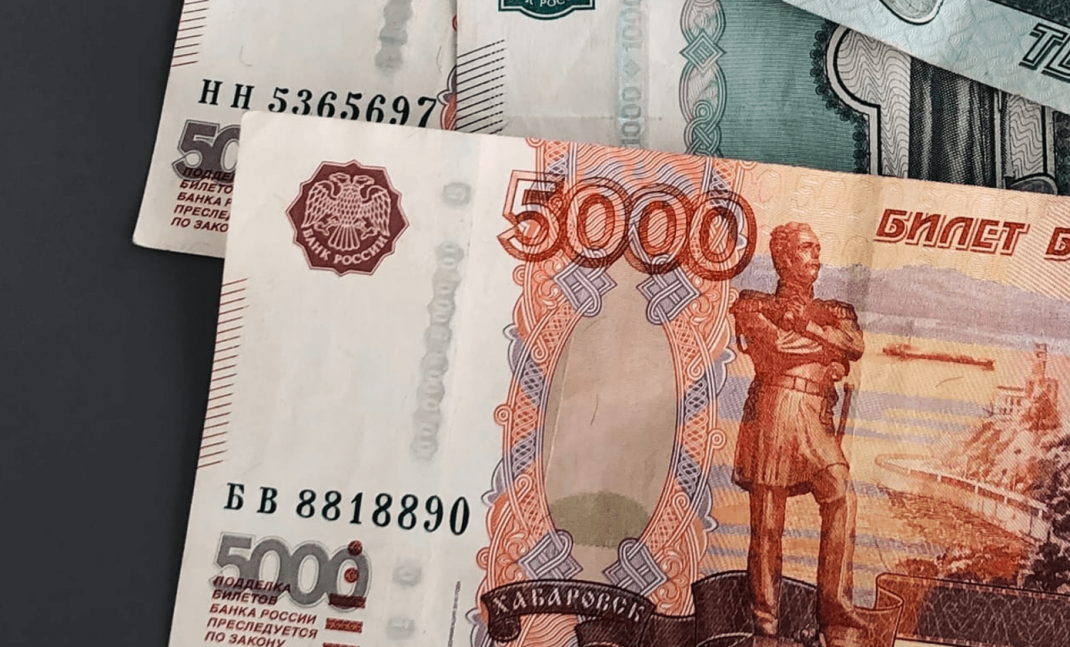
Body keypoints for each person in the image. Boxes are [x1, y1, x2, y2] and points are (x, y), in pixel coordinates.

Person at [730, 222, 866, 646]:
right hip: (775, 409)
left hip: (814, 416)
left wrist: (808, 325)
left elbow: (855, 346)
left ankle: (835, 610)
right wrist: (828, 350)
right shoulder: (753, 305)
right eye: (807, 249)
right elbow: (777, 347)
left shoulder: (834, 310)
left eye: (818, 249)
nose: (816, 258)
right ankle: (766, 625)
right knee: (767, 524)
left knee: (841, 493)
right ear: (784, 259)